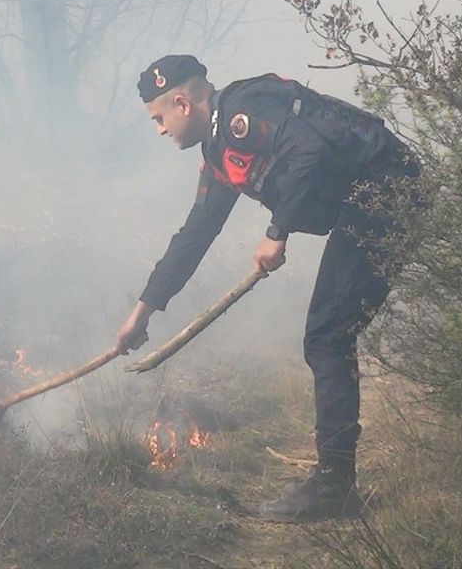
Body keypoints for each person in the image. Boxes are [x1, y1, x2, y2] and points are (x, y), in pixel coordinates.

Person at [113, 54, 418, 522]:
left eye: (158, 118)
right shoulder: (219, 152)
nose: (159, 130)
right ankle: (336, 482)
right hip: (370, 203)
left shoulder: (241, 114)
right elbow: (196, 234)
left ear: (182, 104)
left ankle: (334, 487)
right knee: (329, 336)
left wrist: (277, 232)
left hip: (388, 192)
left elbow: (309, 151)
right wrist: (143, 312)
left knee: (327, 337)